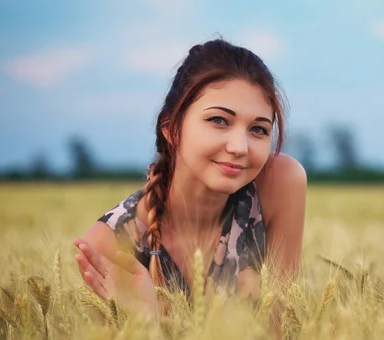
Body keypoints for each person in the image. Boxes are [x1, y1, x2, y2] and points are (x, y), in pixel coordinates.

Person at [72, 39, 307, 317]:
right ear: (171, 130)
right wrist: (148, 325)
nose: (240, 147)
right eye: (219, 120)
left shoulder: (278, 183)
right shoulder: (111, 245)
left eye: (258, 129)